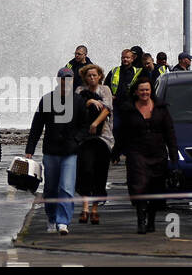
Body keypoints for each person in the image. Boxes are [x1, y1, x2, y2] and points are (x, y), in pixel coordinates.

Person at [25, 68, 89, 234]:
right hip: (51, 151)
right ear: (58, 80)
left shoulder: (78, 101)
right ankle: (52, 218)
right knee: (51, 188)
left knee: (67, 188)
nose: (66, 82)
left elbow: (85, 125)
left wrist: (76, 140)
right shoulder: (47, 99)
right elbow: (37, 125)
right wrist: (29, 149)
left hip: (70, 152)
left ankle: (63, 222)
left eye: (69, 79)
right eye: (63, 79)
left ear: (73, 80)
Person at [114, 77, 178, 235]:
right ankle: (141, 220)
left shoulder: (161, 108)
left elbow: (170, 133)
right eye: (141, 90)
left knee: (155, 189)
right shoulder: (128, 109)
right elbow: (122, 134)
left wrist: (174, 155)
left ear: (151, 91)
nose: (144, 92)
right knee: (139, 186)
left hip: (158, 153)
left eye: (147, 89)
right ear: (136, 91)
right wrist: (115, 151)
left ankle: (151, 219)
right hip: (137, 153)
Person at [75, 64, 113, 225]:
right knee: (86, 170)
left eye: (94, 75)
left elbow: (107, 109)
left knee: (100, 172)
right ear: (85, 77)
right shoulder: (79, 91)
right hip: (84, 138)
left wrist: (95, 124)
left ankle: (95, 209)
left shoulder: (105, 90)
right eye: (89, 75)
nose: (92, 78)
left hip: (103, 137)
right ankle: (84, 207)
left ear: (99, 76)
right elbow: (75, 107)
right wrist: (88, 101)